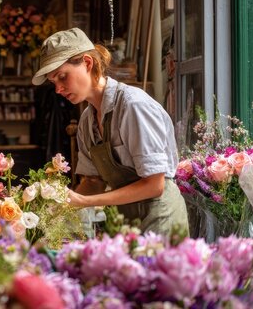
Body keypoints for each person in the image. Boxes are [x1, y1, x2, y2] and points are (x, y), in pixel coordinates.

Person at [32, 27, 189, 236]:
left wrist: (85, 202)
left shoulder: (133, 106)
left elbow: (154, 185)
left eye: (62, 76)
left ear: (87, 63)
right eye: (54, 82)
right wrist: (59, 212)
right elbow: (93, 181)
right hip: (124, 223)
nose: (58, 89)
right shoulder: (87, 121)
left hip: (160, 220)